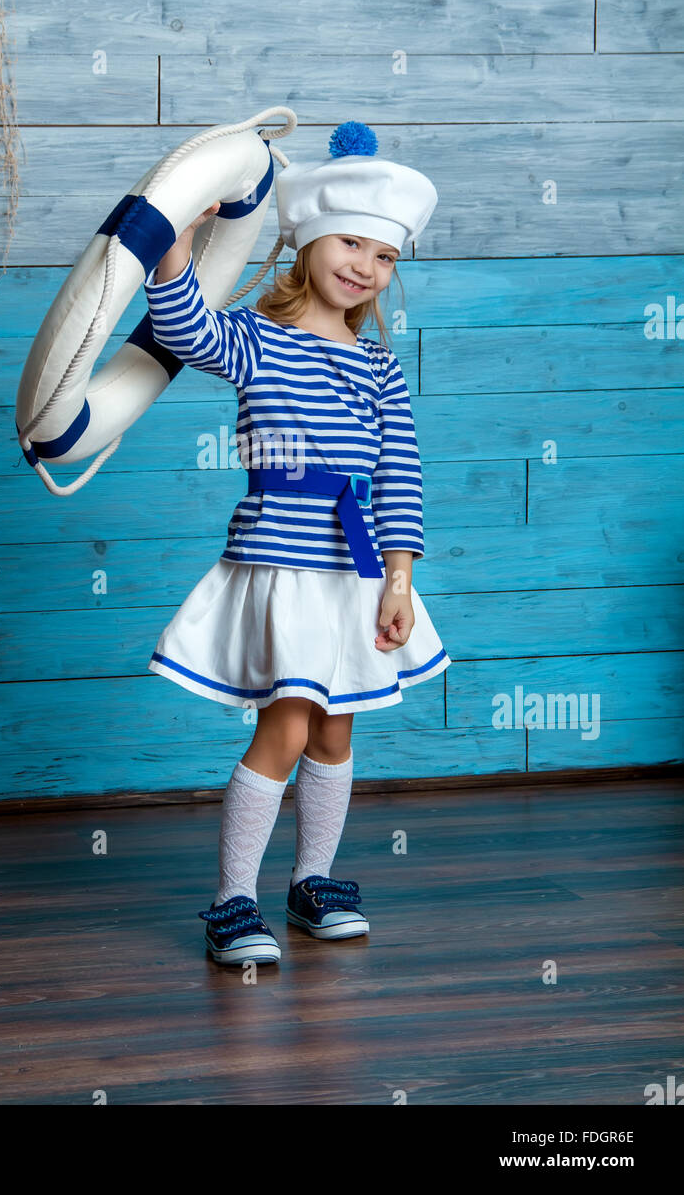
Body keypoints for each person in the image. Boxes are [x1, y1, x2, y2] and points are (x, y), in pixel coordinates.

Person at [142, 120, 451, 966]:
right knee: (284, 727)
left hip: (355, 574)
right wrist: (178, 244)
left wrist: (398, 579)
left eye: (383, 255)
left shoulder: (381, 369)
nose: (364, 265)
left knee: (336, 732)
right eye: (350, 242)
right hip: (284, 566)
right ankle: (231, 901)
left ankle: (313, 881)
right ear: (310, 241)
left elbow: (400, 478)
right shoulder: (257, 339)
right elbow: (184, 330)